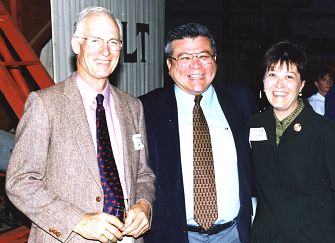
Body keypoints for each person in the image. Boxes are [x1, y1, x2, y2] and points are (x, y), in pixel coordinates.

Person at [5, 6, 155, 243]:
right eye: (95, 40)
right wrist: (78, 220)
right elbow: (20, 181)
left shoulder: (132, 106)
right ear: (77, 44)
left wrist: (144, 205)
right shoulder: (45, 104)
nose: (105, 51)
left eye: (113, 42)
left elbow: (143, 174)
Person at [140, 23, 253, 243]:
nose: (196, 66)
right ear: (169, 64)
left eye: (203, 56)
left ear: (215, 59)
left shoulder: (241, 101)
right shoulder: (147, 109)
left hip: (233, 234)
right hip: (174, 235)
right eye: (184, 58)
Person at [248, 40, 335, 243]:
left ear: (302, 84)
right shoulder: (253, 125)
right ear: (263, 81)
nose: (279, 85)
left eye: (289, 76)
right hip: (264, 237)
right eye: (272, 75)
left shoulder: (324, 131)